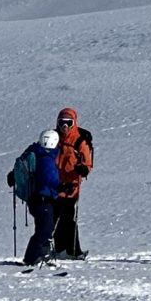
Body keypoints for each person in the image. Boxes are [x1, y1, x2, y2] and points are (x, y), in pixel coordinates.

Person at [53, 106, 94, 259]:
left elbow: (87, 163)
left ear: (74, 123)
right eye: (62, 122)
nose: (65, 126)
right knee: (55, 219)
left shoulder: (79, 140)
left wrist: (83, 169)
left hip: (72, 187)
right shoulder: (53, 137)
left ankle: (73, 251)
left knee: (69, 220)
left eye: (68, 123)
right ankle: (59, 250)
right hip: (55, 186)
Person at [22, 129, 63, 266]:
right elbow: (49, 179)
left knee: (44, 227)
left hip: (35, 198)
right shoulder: (46, 158)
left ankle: (42, 254)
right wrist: (61, 187)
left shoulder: (35, 152)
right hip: (42, 198)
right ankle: (33, 257)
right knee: (45, 228)